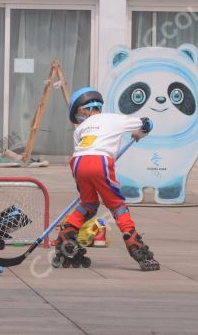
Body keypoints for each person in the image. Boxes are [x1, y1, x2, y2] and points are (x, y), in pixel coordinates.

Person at [54, 87, 160, 271]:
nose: (80, 119)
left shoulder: (80, 129)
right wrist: (140, 133)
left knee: (88, 204)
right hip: (100, 162)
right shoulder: (115, 118)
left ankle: (66, 235)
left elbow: (84, 150)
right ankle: (133, 242)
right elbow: (148, 123)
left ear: (83, 109)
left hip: (78, 163)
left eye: (78, 115)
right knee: (117, 205)